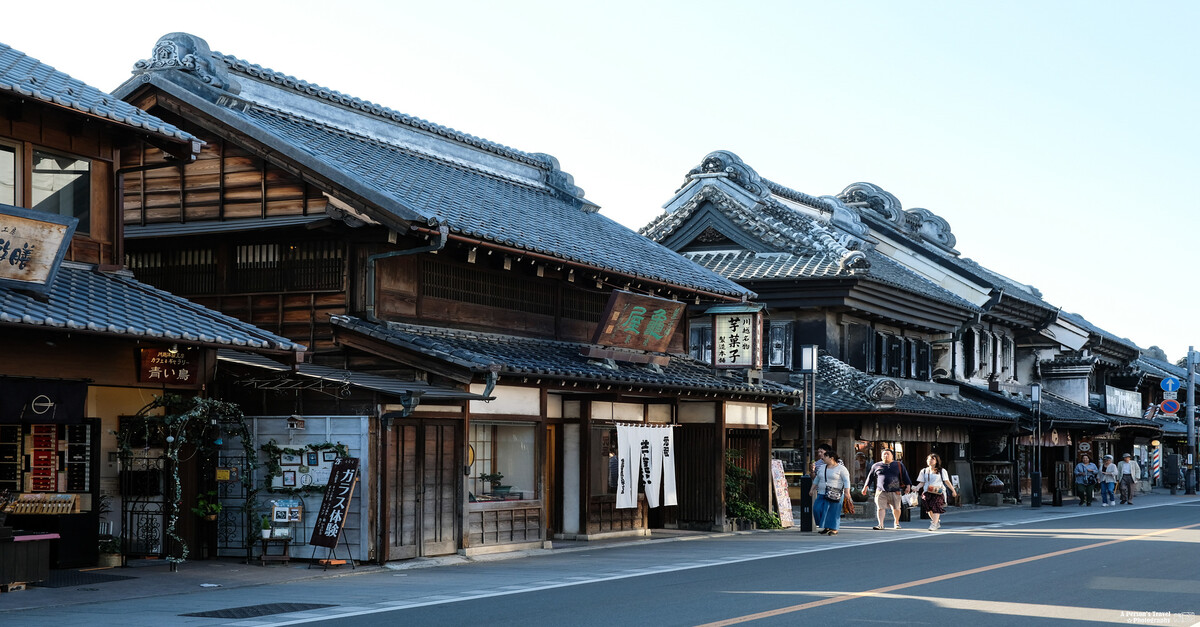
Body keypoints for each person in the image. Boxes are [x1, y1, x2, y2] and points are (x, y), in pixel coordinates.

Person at [861, 448, 912, 530]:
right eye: (884, 454)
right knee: (880, 508)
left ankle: (896, 522)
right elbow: (870, 477)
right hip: (881, 491)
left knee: (896, 508)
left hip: (895, 491)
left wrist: (908, 486)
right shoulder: (876, 465)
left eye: (888, 454)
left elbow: (905, 475)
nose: (886, 455)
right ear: (881, 456)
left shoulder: (898, 465)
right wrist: (865, 487)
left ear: (892, 456)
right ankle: (880, 524)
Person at [809, 450, 851, 536]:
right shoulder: (822, 467)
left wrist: (847, 492)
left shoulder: (841, 468)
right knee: (817, 509)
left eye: (825, 456)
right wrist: (812, 489)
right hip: (821, 492)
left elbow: (847, 481)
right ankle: (826, 526)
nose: (823, 458)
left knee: (833, 511)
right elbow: (817, 478)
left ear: (831, 458)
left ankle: (834, 528)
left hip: (835, 493)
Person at [914, 453, 957, 531]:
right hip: (927, 491)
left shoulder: (941, 471)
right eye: (929, 459)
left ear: (937, 461)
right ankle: (936, 522)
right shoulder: (924, 471)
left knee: (936, 507)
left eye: (932, 459)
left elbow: (947, 481)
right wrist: (917, 487)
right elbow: (922, 482)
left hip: (938, 491)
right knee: (929, 509)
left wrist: (953, 490)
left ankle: (933, 524)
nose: (930, 461)